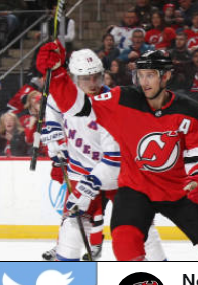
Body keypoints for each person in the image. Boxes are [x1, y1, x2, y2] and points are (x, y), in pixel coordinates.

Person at [37, 45, 198, 262]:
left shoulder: (191, 111)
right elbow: (80, 107)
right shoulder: (122, 99)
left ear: (166, 76)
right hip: (136, 187)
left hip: (178, 186)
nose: (144, 82)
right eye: (140, 75)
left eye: (150, 75)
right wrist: (57, 74)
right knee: (124, 239)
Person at [40, 48, 169, 264]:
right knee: (72, 222)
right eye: (85, 78)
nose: (92, 82)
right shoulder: (66, 98)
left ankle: (159, 266)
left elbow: (117, 153)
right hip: (80, 171)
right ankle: (66, 266)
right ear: (74, 78)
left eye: (96, 76)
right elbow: (52, 106)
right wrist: (55, 145)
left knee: (140, 224)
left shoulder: (115, 101)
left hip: (116, 174)